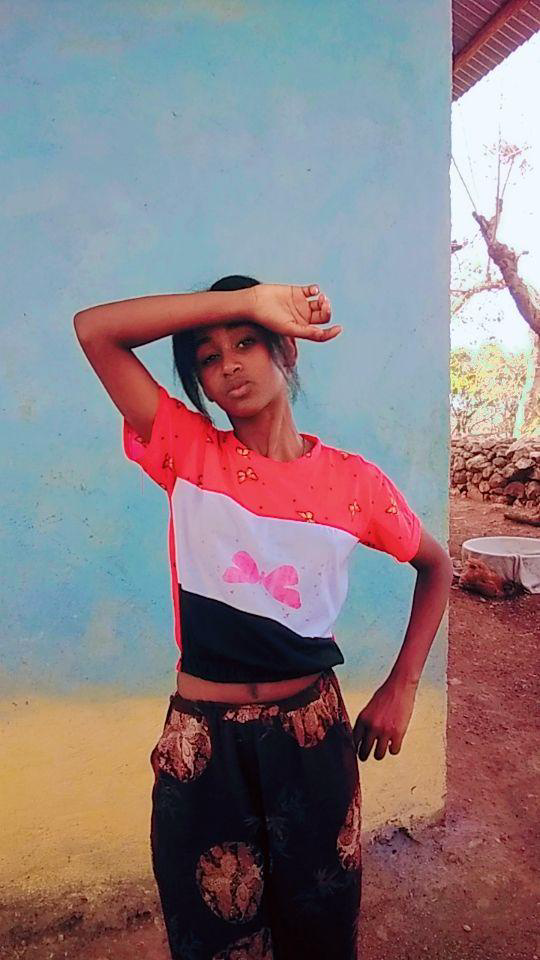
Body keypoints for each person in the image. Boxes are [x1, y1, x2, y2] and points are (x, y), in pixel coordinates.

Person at [73, 277, 453, 960]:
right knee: (214, 938)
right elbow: (95, 330)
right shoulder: (188, 452)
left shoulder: (354, 483)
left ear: (287, 351)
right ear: (201, 385)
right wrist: (245, 303)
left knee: (320, 933)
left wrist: (402, 686)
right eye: (208, 358)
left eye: (247, 343)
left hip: (312, 739)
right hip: (204, 746)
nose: (230, 365)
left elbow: (437, 566)